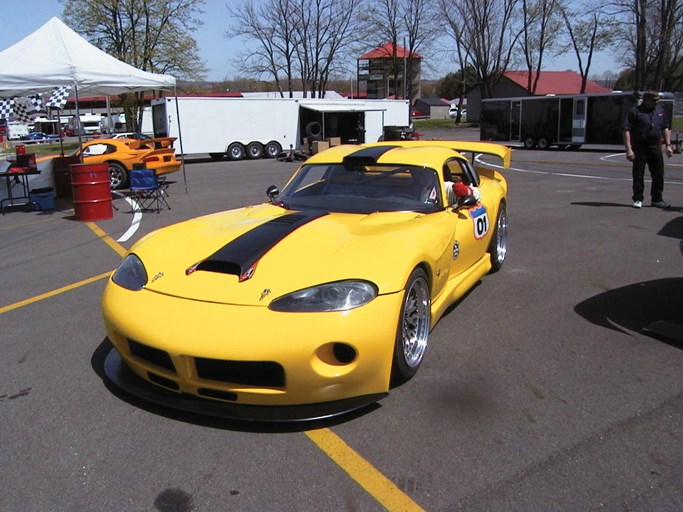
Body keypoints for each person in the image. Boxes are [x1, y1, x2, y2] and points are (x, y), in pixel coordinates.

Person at [623, 91, 674, 209]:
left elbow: (665, 128)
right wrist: (629, 149)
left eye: (658, 100)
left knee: (658, 174)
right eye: (654, 100)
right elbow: (626, 130)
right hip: (640, 147)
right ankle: (638, 198)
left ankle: (657, 199)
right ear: (646, 100)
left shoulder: (660, 111)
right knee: (638, 174)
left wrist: (668, 145)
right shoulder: (635, 112)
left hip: (655, 146)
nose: (657, 102)